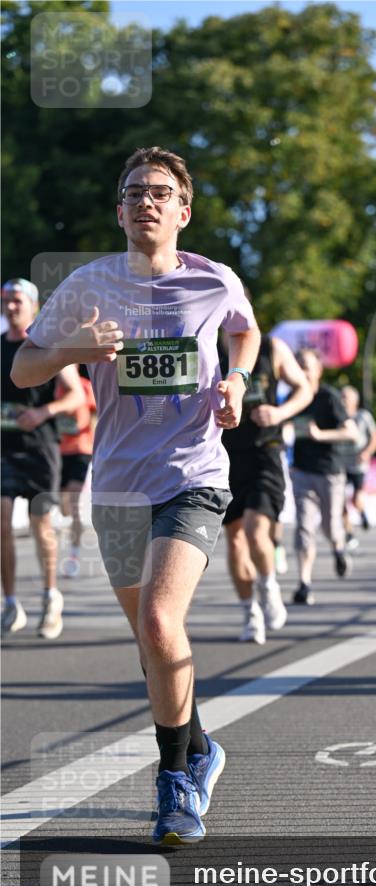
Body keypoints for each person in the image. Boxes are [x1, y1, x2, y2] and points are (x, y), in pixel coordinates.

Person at [11, 147, 261, 845]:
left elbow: (245, 330)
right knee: (154, 643)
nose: (144, 202)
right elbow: (26, 367)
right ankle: (200, 745)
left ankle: (174, 781)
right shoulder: (88, 286)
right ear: (118, 211)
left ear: (183, 211)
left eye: (158, 192)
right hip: (116, 483)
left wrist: (237, 381)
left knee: (158, 621)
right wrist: (74, 349)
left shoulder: (214, 282)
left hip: (193, 475)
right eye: (132, 193)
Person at [1, 278, 85, 639]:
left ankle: (51, 598)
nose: (10, 306)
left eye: (17, 300)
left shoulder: (44, 346)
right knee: (1, 521)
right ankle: (10, 603)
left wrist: (42, 413)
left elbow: (76, 397)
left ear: (33, 306)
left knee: (41, 525)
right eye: (5, 300)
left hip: (42, 449)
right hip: (5, 449)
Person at [218, 330, 312, 644]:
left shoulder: (272, 348)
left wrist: (280, 413)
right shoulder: (206, 346)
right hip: (225, 455)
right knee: (234, 542)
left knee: (256, 530)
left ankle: (268, 585)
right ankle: (249, 611)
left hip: (265, 450)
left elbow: (304, 388)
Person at [290, 348, 358, 605]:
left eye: (306, 365)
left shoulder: (329, 397)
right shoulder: (293, 398)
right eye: (298, 365)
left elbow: (351, 433)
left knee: (330, 526)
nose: (302, 370)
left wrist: (321, 435)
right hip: (302, 471)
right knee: (304, 527)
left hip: (330, 471)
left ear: (318, 370)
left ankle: (339, 548)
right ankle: (304, 583)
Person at [58, 365, 97, 578]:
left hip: (81, 449)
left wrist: (95, 442)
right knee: (63, 506)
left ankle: (73, 556)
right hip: (57, 451)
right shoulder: (52, 388)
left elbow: (94, 416)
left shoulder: (85, 386)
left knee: (72, 504)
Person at [339, 385, 376, 549]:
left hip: (358, 464)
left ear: (354, 401)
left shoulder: (363, 416)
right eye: (341, 396)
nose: (342, 400)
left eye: (346, 397)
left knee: (357, 499)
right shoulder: (337, 416)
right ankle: (349, 533)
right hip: (341, 463)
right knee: (340, 501)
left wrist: (367, 452)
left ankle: (362, 514)